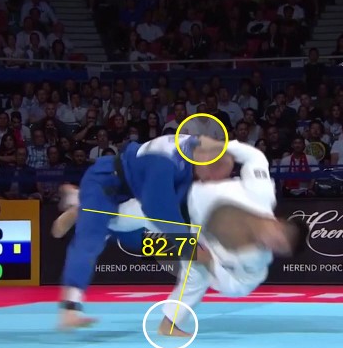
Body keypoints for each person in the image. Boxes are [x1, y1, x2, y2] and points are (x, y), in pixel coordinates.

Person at [53, 140, 303, 336]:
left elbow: (238, 288)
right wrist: (223, 147)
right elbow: (255, 157)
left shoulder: (257, 261)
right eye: (279, 237)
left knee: (197, 276)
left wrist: (211, 264)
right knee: (124, 215)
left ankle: (169, 324)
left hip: (196, 240)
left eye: (278, 248)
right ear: (278, 223)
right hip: (182, 199)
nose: (272, 243)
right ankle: (81, 205)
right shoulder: (261, 193)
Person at [57, 134, 233, 330]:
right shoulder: (165, 161)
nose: (209, 179)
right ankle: (70, 309)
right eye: (211, 173)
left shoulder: (194, 151)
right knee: (91, 240)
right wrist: (193, 248)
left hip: (137, 191)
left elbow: (180, 210)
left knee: (141, 240)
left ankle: (79, 203)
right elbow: (158, 211)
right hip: (105, 183)